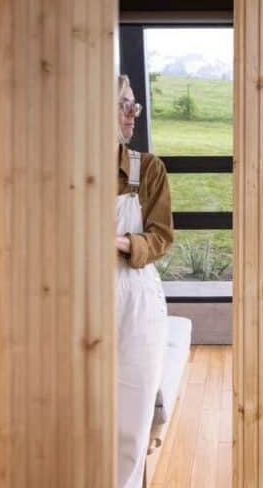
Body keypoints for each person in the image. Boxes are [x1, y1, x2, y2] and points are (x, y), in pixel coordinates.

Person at [114, 74, 174, 488]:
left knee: (130, 426)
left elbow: (161, 237)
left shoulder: (146, 169)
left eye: (134, 104)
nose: (133, 114)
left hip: (135, 302)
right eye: (123, 105)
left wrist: (118, 241)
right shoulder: (63, 175)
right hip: (74, 297)